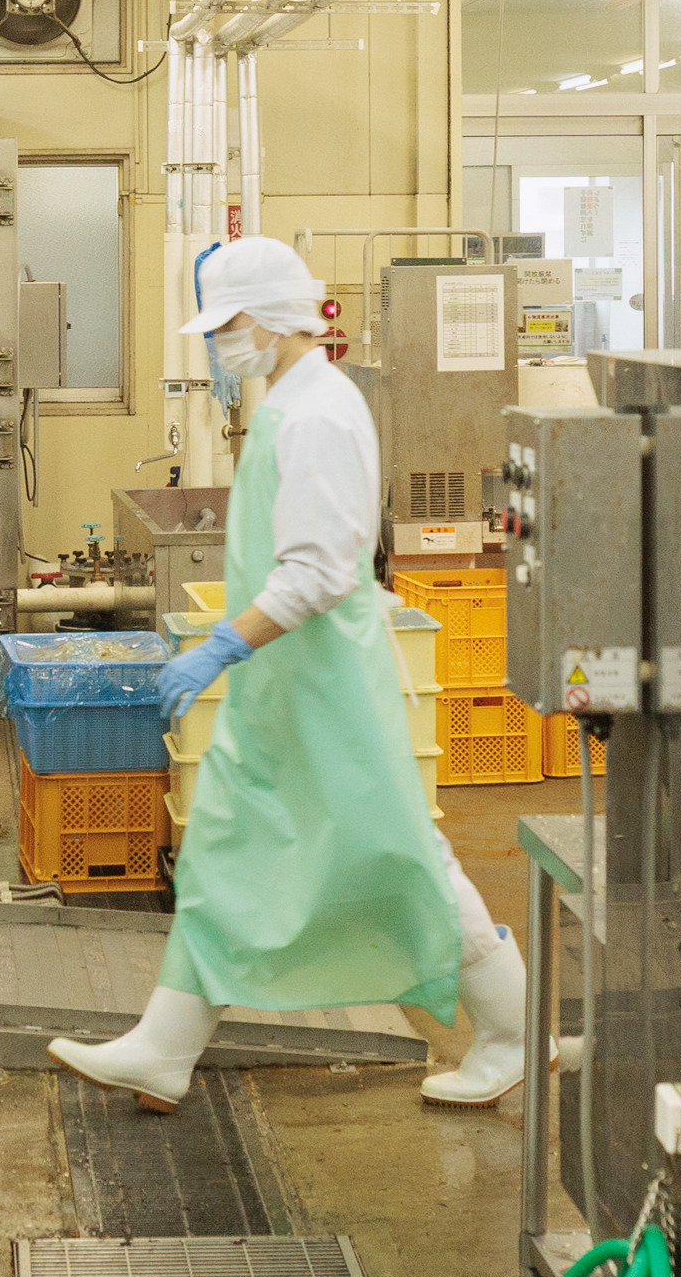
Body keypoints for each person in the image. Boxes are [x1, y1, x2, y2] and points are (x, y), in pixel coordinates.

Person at [49, 237, 530, 1114]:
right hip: (289, 683)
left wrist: (221, 646)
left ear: (271, 318)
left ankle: (512, 1032)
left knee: (399, 856)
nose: (219, 342)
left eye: (228, 323)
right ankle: (163, 1047)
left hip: (326, 686)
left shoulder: (318, 416)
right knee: (230, 846)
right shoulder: (293, 402)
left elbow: (317, 573)